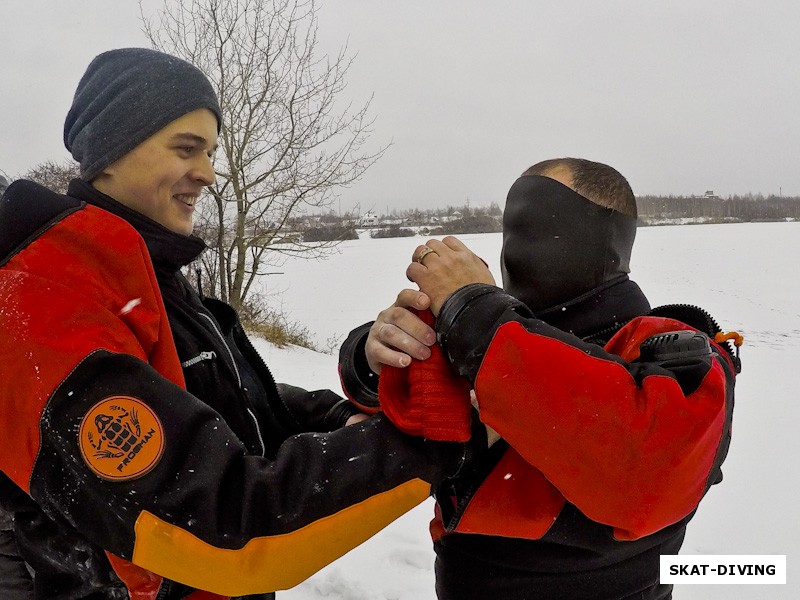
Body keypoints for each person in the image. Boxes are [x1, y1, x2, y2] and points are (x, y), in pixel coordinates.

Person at [0, 48, 483, 600]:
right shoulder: (43, 306)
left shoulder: (150, 276)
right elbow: (222, 526)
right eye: (186, 149)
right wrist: (436, 443)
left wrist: (369, 400)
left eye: (209, 151)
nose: (208, 173)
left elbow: (233, 411)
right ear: (111, 152)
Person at [338, 158, 739, 600]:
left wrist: (473, 309)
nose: (515, 251)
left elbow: (644, 473)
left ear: (596, 235)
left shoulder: (667, 352)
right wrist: (374, 355)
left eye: (535, 228)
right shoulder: (488, 338)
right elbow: (406, 415)